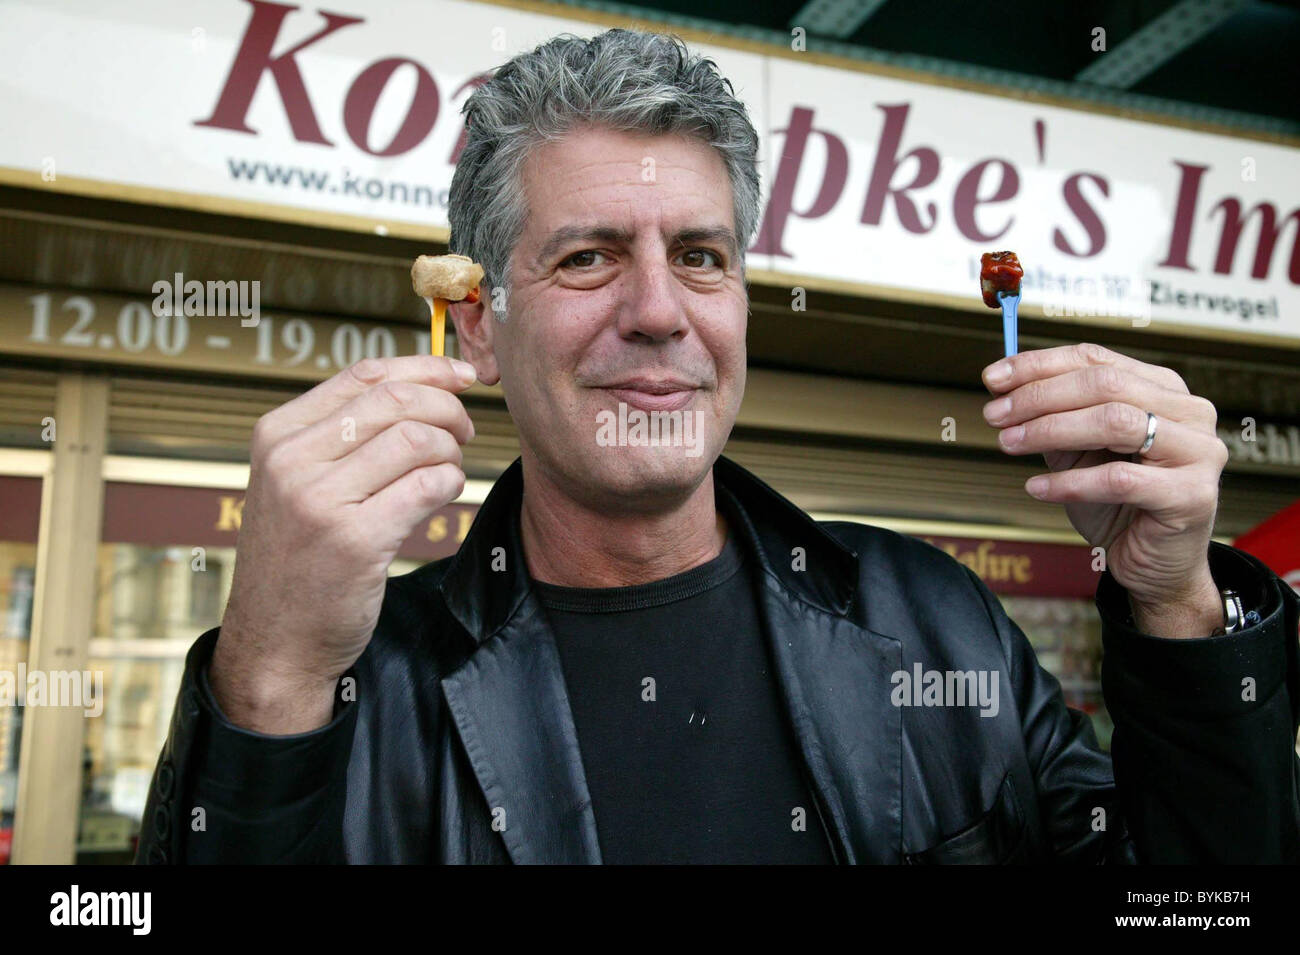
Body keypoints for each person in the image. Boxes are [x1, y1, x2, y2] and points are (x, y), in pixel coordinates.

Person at [136, 29, 1299, 865]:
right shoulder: (361, 684)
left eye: (701, 255)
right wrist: (273, 675)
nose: (659, 310)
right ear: (478, 324)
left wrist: (1178, 610)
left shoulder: (930, 616)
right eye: (588, 256)